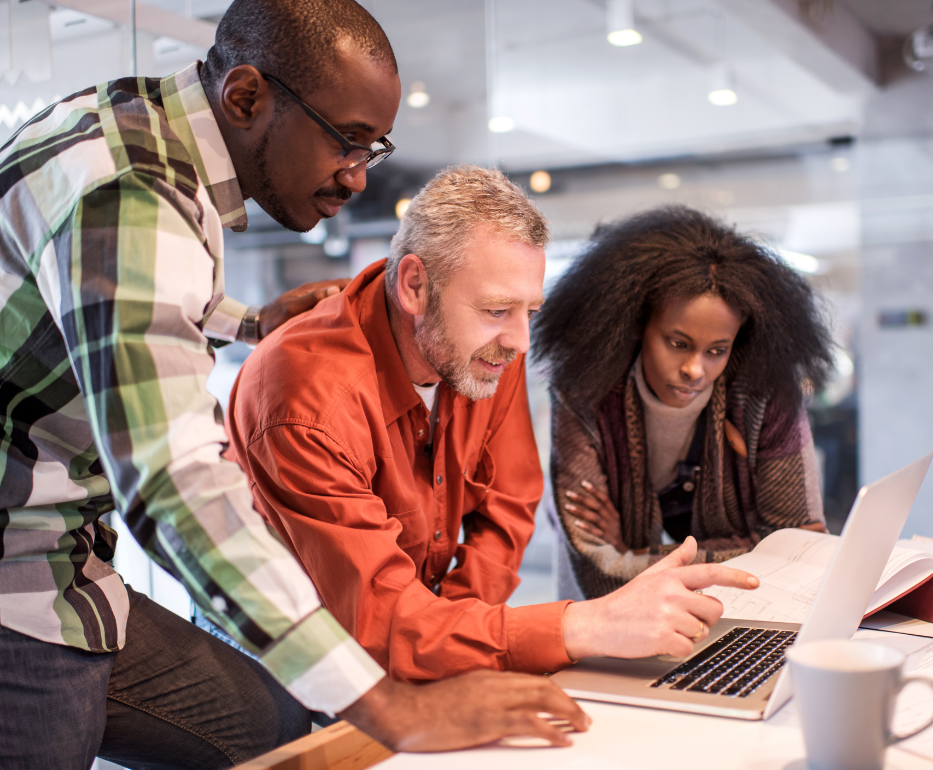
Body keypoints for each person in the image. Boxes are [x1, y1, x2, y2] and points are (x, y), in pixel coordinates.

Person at [0, 1, 590, 767]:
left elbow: (97, 292)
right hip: (22, 566)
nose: (356, 175)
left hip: (75, 560)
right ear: (245, 99)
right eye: (345, 142)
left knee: (265, 723)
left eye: (374, 148)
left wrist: (246, 321)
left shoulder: (130, 125)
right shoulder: (136, 195)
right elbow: (174, 483)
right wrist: (394, 712)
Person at [226, 165, 760, 683]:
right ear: (414, 286)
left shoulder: (486, 347)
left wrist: (450, 636)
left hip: (408, 640)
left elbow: (509, 501)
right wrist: (583, 625)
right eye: (497, 310)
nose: (521, 344)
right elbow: (378, 620)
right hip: (287, 668)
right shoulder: (304, 405)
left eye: (529, 312)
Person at [530, 206, 834, 601]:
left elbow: (799, 556)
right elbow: (598, 574)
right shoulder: (585, 388)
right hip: (610, 621)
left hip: (744, 614)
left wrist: (632, 554)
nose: (695, 369)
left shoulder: (766, 390)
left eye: (716, 350)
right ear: (638, 323)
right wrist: (755, 548)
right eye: (678, 344)